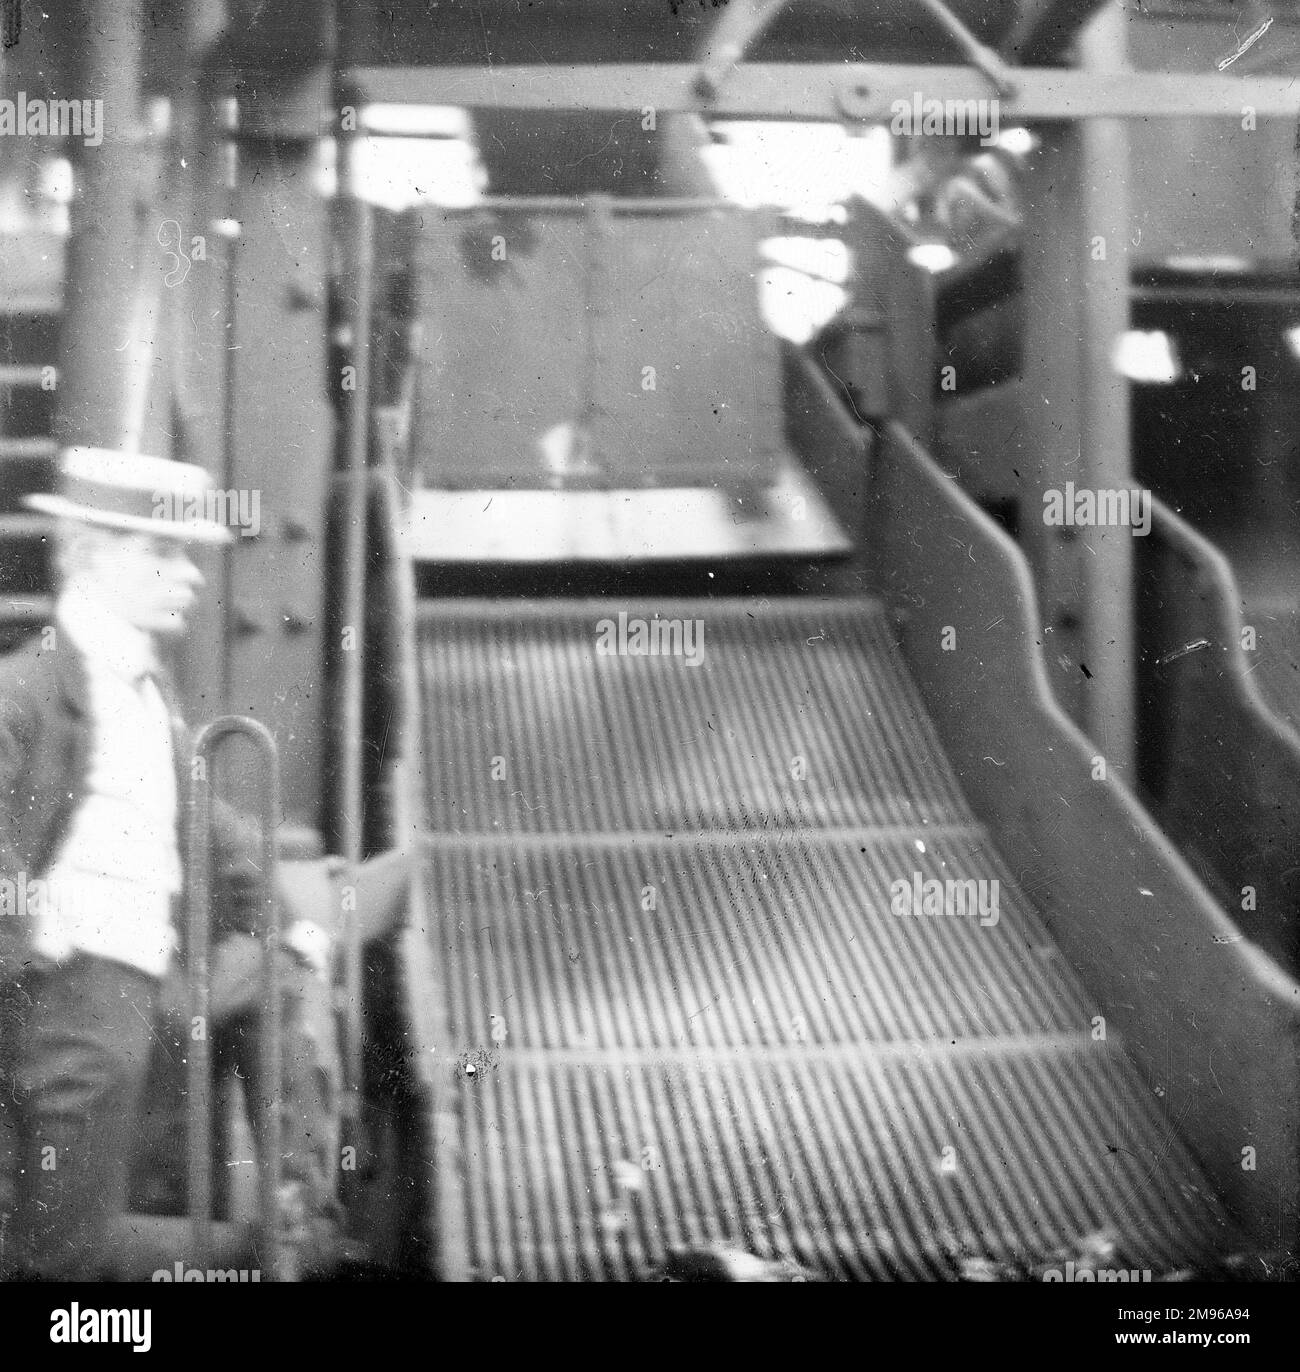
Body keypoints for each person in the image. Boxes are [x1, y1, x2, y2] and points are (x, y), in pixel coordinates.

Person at [0, 447, 350, 1279]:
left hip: (146, 984)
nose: (189, 575)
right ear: (89, 553)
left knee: (278, 967)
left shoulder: (143, 696)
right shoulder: (28, 693)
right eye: (162, 553)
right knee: (60, 1257)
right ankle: (242, 1260)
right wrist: (34, 964)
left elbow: (215, 837)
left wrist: (294, 924)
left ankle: (295, 1227)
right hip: (70, 1003)